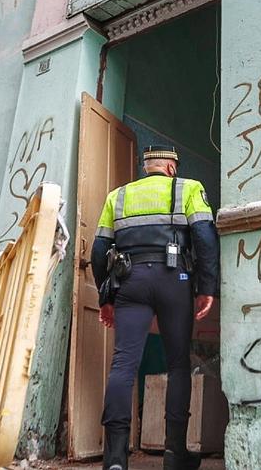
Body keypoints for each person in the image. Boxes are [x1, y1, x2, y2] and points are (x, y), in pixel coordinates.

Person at [90, 145, 220, 470]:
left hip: (129, 282)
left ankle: (116, 459)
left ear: (146, 168)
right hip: (174, 280)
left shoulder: (117, 196)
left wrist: (105, 297)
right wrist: (207, 288)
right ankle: (175, 453)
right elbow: (205, 238)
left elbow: (98, 250)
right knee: (178, 364)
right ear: (172, 168)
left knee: (123, 364)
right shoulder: (189, 188)